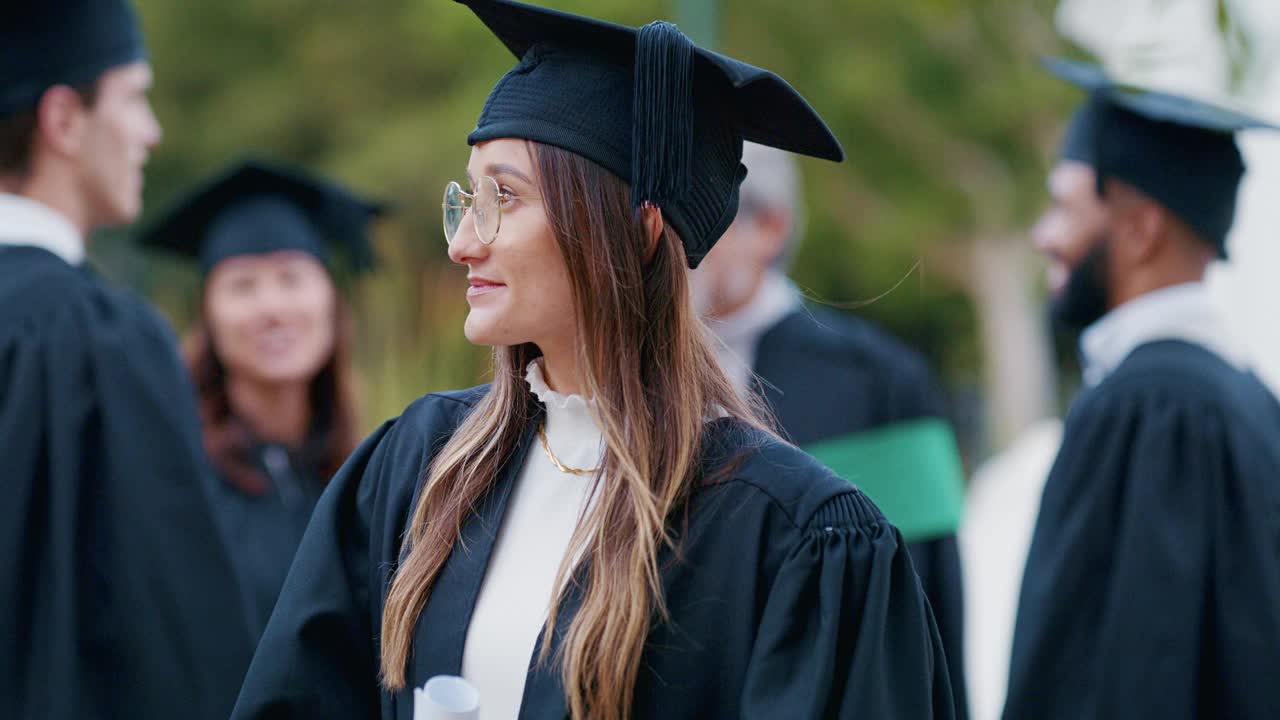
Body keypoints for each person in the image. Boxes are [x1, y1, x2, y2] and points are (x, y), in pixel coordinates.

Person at [233, 1, 956, 719]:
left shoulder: (790, 533)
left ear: (637, 230)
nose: (462, 242)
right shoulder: (418, 466)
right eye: (466, 197)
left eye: (504, 198)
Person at [1003, 58, 1280, 720]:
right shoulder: (1252, 402)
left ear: (1140, 227)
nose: (1045, 235)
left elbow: (1113, 678)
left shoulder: (1146, 408)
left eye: (1066, 207)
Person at [0, 3, 254, 718]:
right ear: (63, 121)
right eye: (135, 97)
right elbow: (175, 640)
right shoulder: (98, 338)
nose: (151, 132)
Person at [693, 141, 969, 718]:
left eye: (698, 214)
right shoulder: (624, 378)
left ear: (768, 226)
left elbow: (923, 605)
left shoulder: (883, 383)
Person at [140, 159, 387, 642]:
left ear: (330, 302)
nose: (272, 308)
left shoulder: (370, 476)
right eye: (243, 285)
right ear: (207, 317)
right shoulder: (173, 477)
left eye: (292, 278)